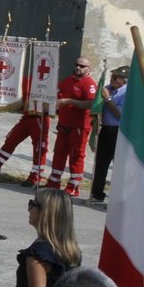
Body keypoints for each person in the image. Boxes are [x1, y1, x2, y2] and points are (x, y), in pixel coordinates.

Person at [10, 188, 80, 287]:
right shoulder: (71, 251)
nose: (28, 209)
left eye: (32, 204)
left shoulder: (38, 253)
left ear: (45, 212)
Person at [0, 72, 52, 186]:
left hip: (40, 119)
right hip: (26, 117)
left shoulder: (50, 83)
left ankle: (36, 176)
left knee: (39, 148)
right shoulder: (27, 79)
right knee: (11, 139)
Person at [44, 56, 98, 196]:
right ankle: (54, 181)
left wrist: (69, 101)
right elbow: (56, 94)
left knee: (76, 156)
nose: (78, 68)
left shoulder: (89, 84)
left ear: (89, 69)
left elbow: (90, 104)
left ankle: (73, 186)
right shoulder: (67, 81)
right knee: (59, 153)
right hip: (64, 124)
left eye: (82, 66)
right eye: (76, 65)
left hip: (79, 126)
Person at [85, 66, 129, 206]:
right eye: (112, 77)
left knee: (119, 167)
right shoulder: (107, 88)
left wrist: (108, 99)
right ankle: (97, 195)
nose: (113, 80)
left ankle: (118, 199)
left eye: (117, 78)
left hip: (118, 131)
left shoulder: (126, 94)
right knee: (100, 164)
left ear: (124, 81)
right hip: (105, 130)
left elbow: (120, 115)